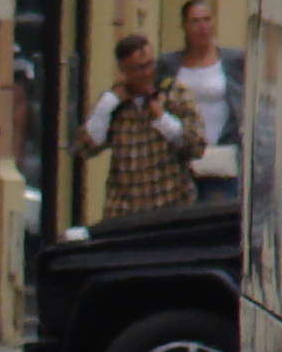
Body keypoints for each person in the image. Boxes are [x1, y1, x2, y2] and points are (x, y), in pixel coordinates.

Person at [81, 32, 205, 222]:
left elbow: (196, 145)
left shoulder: (174, 93)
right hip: (125, 211)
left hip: (170, 206)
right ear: (123, 69)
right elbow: (84, 148)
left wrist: (163, 119)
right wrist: (106, 107)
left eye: (150, 64)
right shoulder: (116, 104)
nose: (147, 72)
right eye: (138, 68)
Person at [154, 0, 245, 202]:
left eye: (207, 20)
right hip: (180, 159)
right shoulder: (168, 64)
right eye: (195, 21)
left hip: (222, 156)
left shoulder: (233, 61)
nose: (202, 27)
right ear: (184, 26)